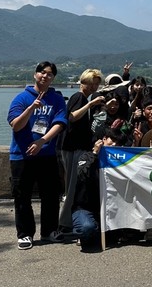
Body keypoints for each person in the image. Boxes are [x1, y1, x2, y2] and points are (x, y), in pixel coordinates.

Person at [8, 61, 68, 250]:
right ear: (35, 75)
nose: (45, 76)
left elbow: (59, 123)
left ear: (53, 78)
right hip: (21, 156)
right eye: (42, 72)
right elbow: (15, 125)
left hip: (47, 155)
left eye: (49, 74)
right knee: (22, 196)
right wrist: (31, 109)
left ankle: (49, 231)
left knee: (50, 195)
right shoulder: (21, 98)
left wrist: (42, 142)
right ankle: (25, 234)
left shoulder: (57, 99)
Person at [59, 69, 105, 233]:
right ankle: (65, 223)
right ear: (84, 82)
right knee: (72, 186)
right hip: (73, 148)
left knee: (73, 186)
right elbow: (72, 116)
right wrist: (91, 104)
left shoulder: (81, 98)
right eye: (92, 83)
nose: (94, 86)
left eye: (97, 84)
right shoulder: (78, 97)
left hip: (75, 147)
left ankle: (67, 221)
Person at [70, 127, 128, 251]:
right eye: (111, 142)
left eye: (118, 144)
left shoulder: (120, 161)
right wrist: (95, 154)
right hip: (85, 208)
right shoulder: (86, 156)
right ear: (103, 140)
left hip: (111, 208)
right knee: (87, 229)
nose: (114, 146)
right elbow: (83, 175)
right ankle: (83, 232)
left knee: (118, 236)